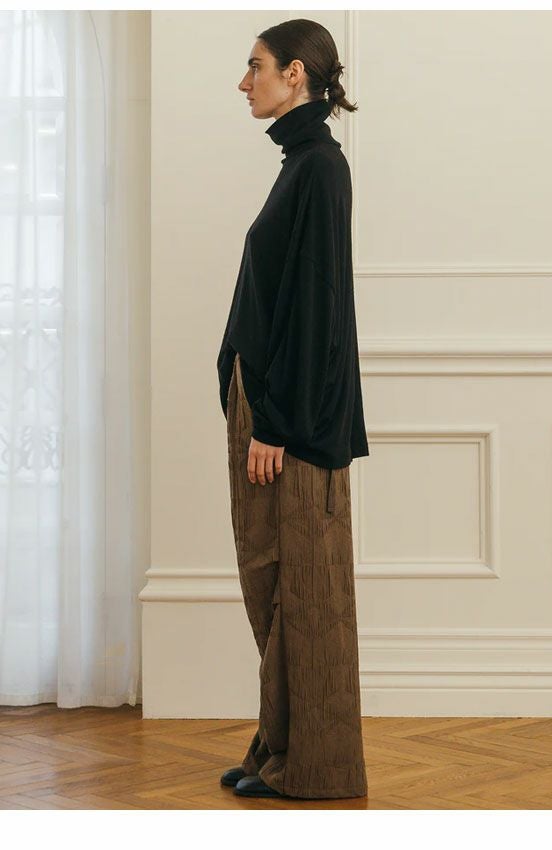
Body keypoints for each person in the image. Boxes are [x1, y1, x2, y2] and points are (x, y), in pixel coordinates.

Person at [216, 18, 369, 800]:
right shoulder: (300, 164)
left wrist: (274, 424)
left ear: (296, 74)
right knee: (275, 586)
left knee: (304, 591)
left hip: (290, 421)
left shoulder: (319, 169)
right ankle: (279, 750)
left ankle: (315, 769)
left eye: (256, 67)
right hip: (271, 406)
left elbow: (314, 309)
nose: (245, 82)